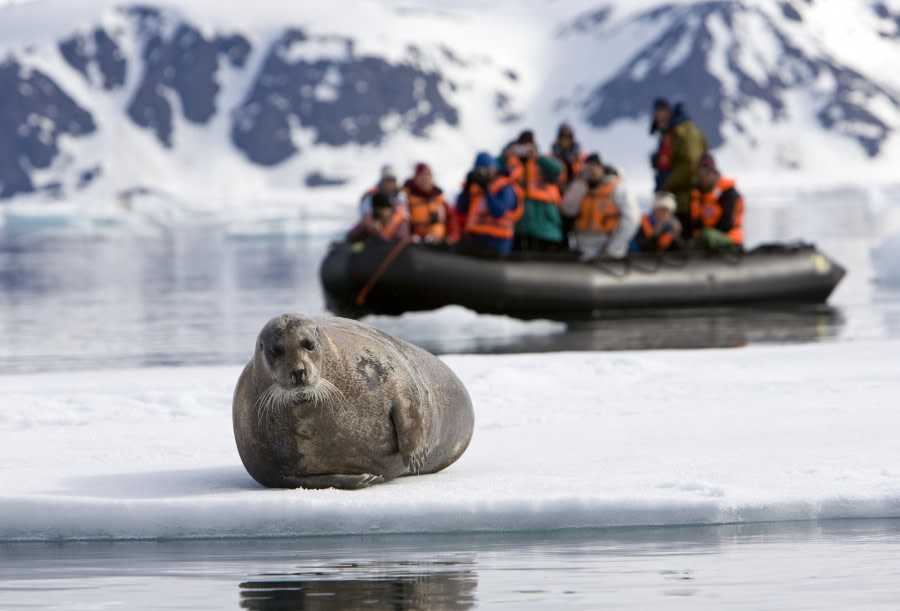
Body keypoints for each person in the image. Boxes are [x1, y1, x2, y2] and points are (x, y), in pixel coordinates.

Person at [561, 153, 639, 260]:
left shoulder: (617, 188)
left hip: (609, 247)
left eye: (595, 166)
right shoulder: (581, 187)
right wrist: (580, 183)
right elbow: (568, 210)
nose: (592, 170)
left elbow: (631, 219)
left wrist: (612, 249)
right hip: (583, 248)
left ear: (602, 168)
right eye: (588, 167)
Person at [650, 99, 708, 236]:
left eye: (662, 111)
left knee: (685, 231)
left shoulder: (686, 133)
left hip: (686, 199)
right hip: (674, 198)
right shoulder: (669, 135)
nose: (658, 116)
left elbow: (690, 164)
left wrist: (668, 184)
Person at [456, 151, 524, 257]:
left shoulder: (506, 187)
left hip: (497, 241)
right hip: (475, 237)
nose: (484, 173)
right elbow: (461, 208)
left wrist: (486, 189)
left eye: (486, 169)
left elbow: (498, 211)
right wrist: (467, 187)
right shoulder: (476, 188)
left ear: (494, 168)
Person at [689, 154, 744, 252]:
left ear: (713, 174)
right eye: (700, 175)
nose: (701, 179)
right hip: (708, 237)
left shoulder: (728, 193)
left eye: (704, 175)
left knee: (706, 236)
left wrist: (706, 232)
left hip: (729, 237)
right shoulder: (699, 194)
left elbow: (727, 222)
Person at [513, 155, 564, 252]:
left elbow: (556, 171)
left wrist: (538, 157)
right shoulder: (514, 164)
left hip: (546, 220)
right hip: (522, 221)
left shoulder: (543, 162)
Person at [402, 162, 457, 244]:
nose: (425, 179)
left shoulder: (440, 200)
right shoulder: (406, 199)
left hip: (439, 245)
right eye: (422, 176)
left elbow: (452, 220)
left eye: (428, 176)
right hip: (415, 245)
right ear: (415, 178)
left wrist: (452, 237)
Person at [358, 164, 409, 237]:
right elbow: (366, 212)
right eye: (387, 180)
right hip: (375, 221)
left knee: (402, 228)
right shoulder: (370, 195)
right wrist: (371, 224)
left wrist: (389, 225)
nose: (390, 183)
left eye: (392, 180)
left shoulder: (400, 195)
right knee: (356, 232)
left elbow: (401, 213)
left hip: (393, 224)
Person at [345, 192, 410, 242]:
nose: (381, 214)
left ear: (391, 210)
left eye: (384, 210)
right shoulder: (369, 221)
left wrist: (379, 234)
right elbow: (351, 236)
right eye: (378, 211)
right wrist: (368, 227)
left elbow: (400, 241)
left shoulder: (399, 222)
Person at [548, 122, 586, 193]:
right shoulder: (551, 157)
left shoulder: (581, 156)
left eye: (568, 136)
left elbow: (592, 166)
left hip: (576, 191)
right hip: (556, 190)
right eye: (562, 135)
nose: (565, 138)